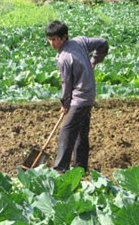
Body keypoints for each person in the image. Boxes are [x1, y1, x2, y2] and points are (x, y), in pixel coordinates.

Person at [45, 20, 108, 173]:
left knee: (67, 130)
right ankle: (80, 167)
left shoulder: (64, 58)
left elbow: (66, 84)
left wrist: (65, 104)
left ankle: (61, 168)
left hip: (80, 98)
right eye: (49, 39)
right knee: (81, 130)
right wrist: (95, 60)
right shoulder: (80, 42)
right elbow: (103, 43)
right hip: (89, 95)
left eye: (55, 39)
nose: (52, 43)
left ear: (64, 37)